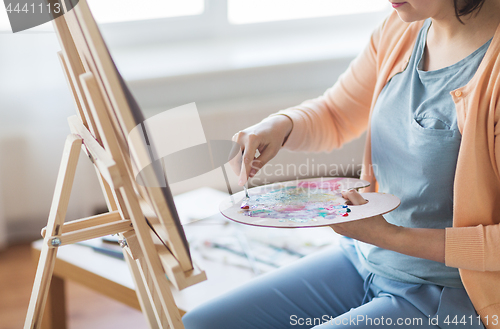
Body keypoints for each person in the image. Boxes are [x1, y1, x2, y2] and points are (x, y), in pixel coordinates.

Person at [183, 0, 500, 328]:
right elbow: (336, 114)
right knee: (203, 323)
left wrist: (390, 236)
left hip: (450, 292)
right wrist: (281, 125)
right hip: (366, 258)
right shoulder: (400, 28)